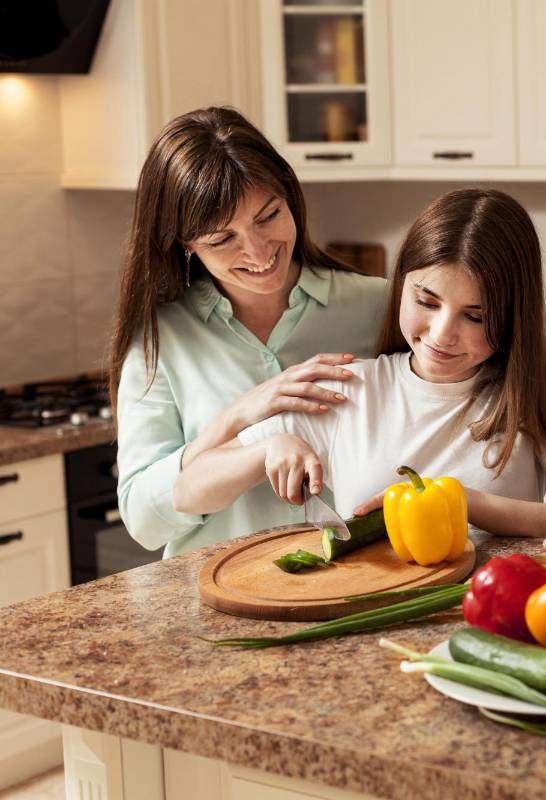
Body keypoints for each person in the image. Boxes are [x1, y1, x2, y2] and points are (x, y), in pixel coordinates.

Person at [174, 189, 546, 539]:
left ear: (512, 318)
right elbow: (188, 492)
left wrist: (461, 503)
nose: (441, 334)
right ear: (401, 286)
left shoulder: (535, 391)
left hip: (495, 607)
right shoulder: (349, 389)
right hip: (370, 610)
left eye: (476, 316)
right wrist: (268, 448)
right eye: (426, 302)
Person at [111, 107, 390, 559]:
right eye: (222, 239)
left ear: (289, 195)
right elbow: (144, 520)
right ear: (185, 244)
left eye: (269, 215)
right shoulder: (160, 341)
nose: (259, 252)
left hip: (360, 580)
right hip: (215, 590)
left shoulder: (378, 306)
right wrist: (237, 419)